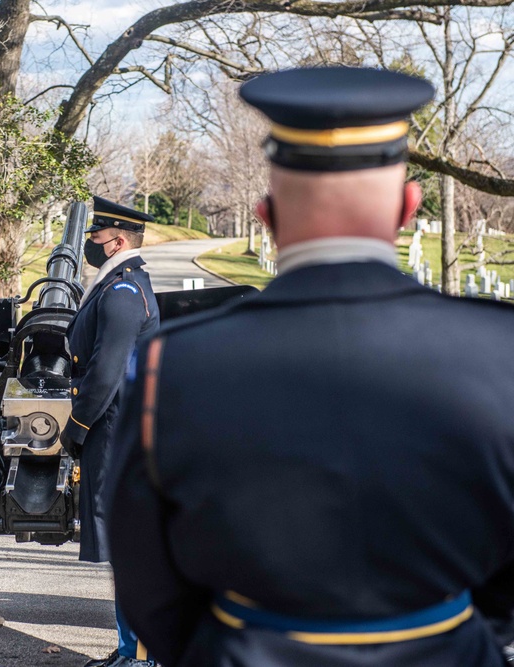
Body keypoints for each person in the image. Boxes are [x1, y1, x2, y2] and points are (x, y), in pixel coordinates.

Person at [108, 66, 514, 666]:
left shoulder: (176, 362)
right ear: (409, 207)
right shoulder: (499, 350)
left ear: (267, 215)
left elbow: (148, 582)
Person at [59, 197, 160, 667]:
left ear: (117, 241)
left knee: (132, 548)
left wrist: (77, 426)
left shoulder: (121, 291)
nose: (88, 247)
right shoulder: (118, 283)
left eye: (95, 239)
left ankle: (139, 653)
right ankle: (129, 648)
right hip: (118, 426)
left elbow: (105, 372)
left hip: (117, 430)